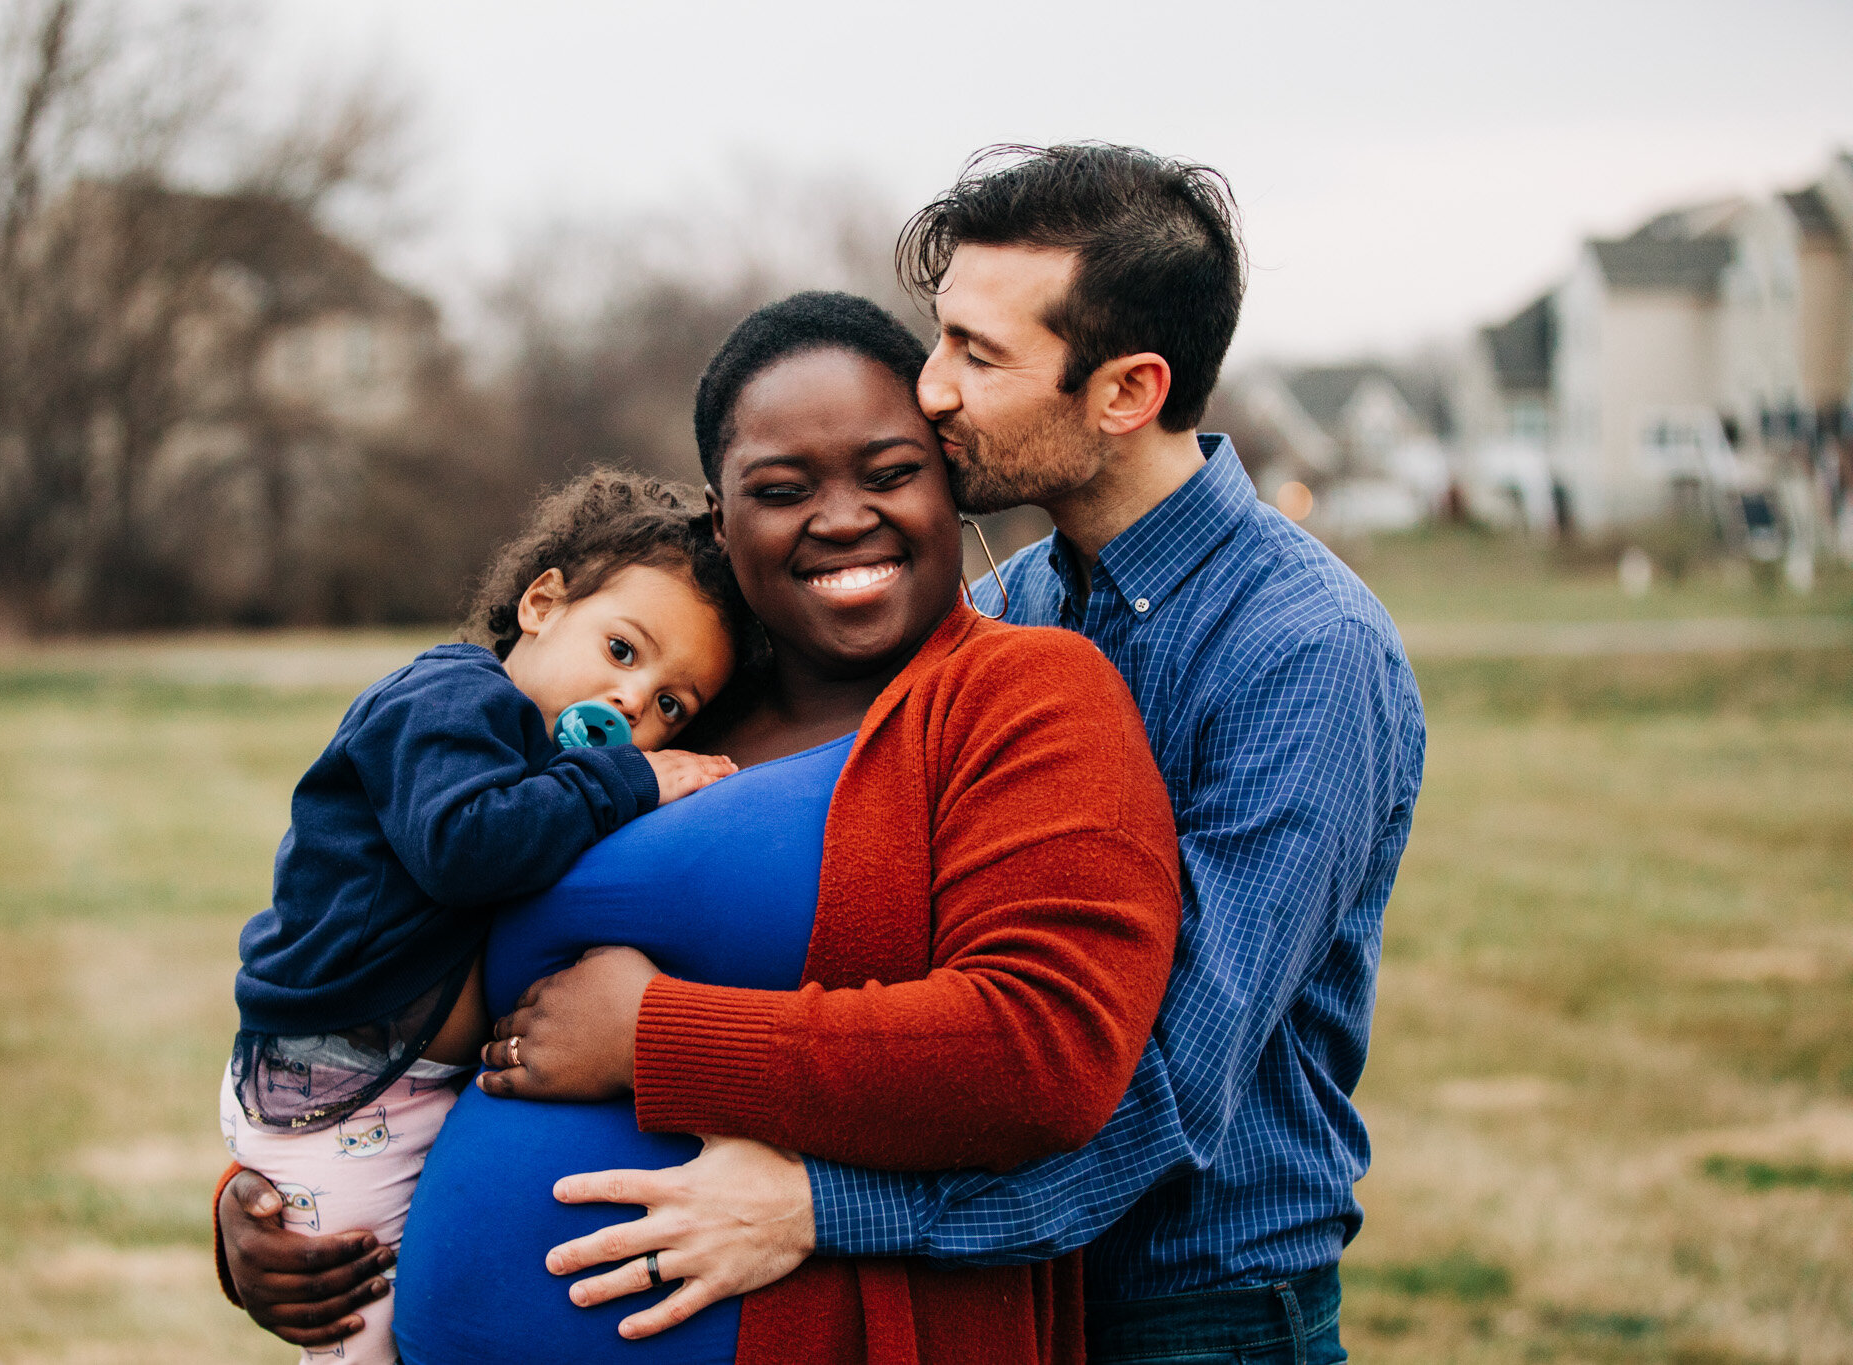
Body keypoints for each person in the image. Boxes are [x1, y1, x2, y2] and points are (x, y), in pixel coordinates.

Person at [462, 146, 1427, 1365]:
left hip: (1193, 1315)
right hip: (1012, 1300)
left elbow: (1157, 1088)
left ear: (1125, 391)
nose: (930, 388)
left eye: (977, 352)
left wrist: (819, 1206)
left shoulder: (1301, 651)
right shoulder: (1011, 604)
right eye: (939, 338)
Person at [216, 290, 1184, 1364]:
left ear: (948, 486)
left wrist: (652, 1039)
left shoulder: (1023, 694)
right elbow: (396, 939)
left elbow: (1039, 1052)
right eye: (780, 489)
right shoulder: (653, 721)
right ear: (724, 526)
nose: (839, 515)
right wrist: (273, 1194)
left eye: (889, 472)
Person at [218, 470, 746, 1365]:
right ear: (542, 602)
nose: (633, 701)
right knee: (358, 1338)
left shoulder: (544, 770)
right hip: (343, 1090)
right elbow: (462, 845)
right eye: (623, 650)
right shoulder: (451, 699)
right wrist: (631, 778)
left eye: (670, 705)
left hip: (404, 1085)